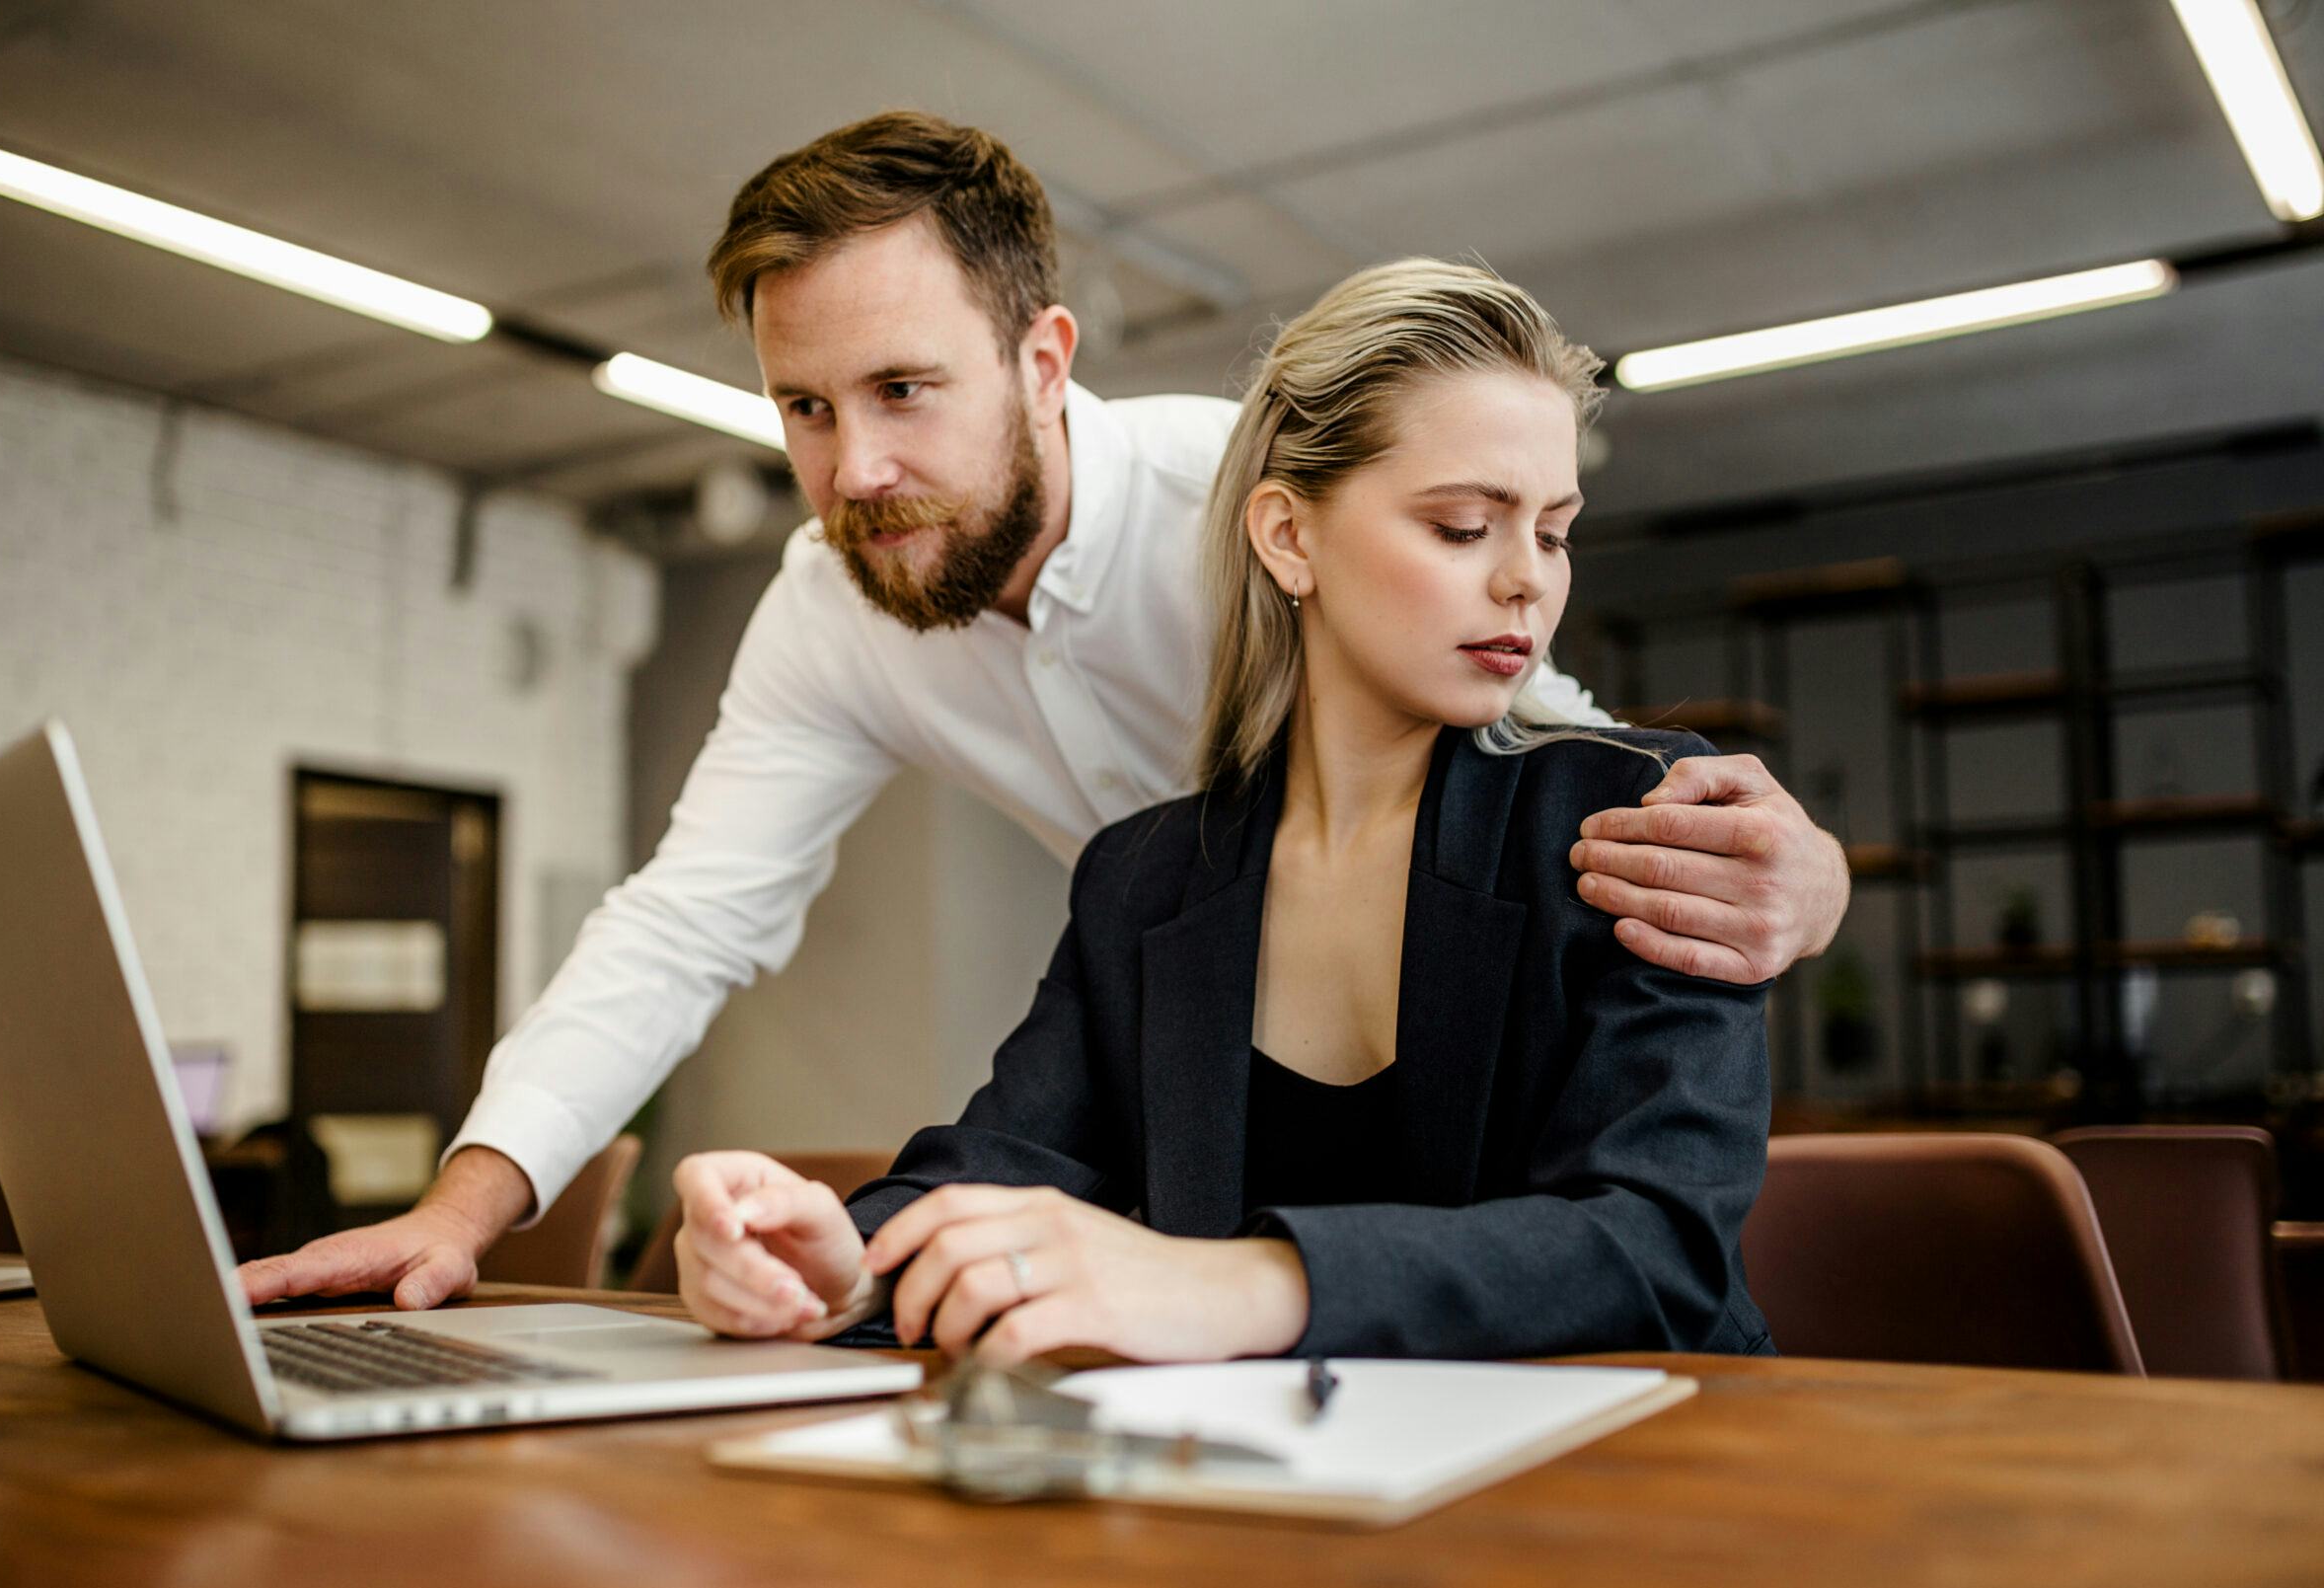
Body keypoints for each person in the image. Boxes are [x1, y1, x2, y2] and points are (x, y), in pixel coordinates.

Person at [236, 112, 1843, 1316]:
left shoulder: (1253, 500)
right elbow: (689, 928)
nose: (851, 468)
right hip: (1225, 1162)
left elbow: (1538, 736)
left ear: (1044, 359)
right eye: (804, 407)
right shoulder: (1070, 818)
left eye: (905, 391)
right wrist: (782, 1246)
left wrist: (1805, 874)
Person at [666, 258, 1775, 1363]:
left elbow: (1655, 1249)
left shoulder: (1635, 823)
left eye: (1551, 530)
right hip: (1291, 1498)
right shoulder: (1142, 878)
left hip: (1645, 1486)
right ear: (1289, 538)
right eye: (1460, 527)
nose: (1527, 581)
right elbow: (1002, 1162)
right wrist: (839, 1263)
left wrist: (1247, 1285)